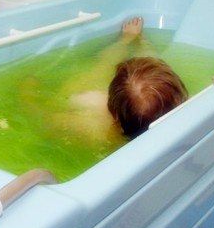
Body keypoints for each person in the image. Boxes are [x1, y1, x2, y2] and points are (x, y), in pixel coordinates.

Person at [55, 17, 188, 141]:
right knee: (152, 62)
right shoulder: (184, 119)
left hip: (101, 117)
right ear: (180, 101)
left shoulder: (95, 126)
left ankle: (125, 40)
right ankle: (142, 41)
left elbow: (51, 120)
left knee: (102, 66)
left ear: (114, 113)